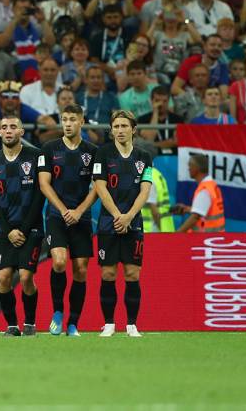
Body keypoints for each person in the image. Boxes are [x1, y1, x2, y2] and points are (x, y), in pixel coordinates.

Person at [38, 104, 98, 337]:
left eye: (73, 119)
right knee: (60, 262)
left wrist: (80, 211)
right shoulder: (49, 149)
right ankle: (57, 312)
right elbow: (44, 184)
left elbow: (98, 186)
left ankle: (73, 323)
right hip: (56, 215)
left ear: (82, 122)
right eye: (64, 119)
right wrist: (64, 210)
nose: (68, 124)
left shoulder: (93, 151)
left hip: (82, 218)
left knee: (81, 269)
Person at [93, 110, 154, 338]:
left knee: (132, 273)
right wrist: (119, 215)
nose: (119, 130)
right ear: (111, 130)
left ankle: (131, 325)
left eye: (124, 126)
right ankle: (109, 323)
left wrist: (129, 217)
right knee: (108, 273)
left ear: (133, 129)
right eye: (116, 127)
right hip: (109, 223)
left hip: (134, 223)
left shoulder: (144, 157)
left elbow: (144, 191)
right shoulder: (102, 154)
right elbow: (100, 187)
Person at [0, 116, 45, 336]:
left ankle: (30, 322)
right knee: (3, 277)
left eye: (13, 127)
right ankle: (12, 326)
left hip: (32, 228)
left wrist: (24, 229)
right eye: (3, 127)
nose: (8, 130)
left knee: (26, 276)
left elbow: (40, 196)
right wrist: (9, 231)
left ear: (21, 132)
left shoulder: (36, 157)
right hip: (5, 230)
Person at [175, 153, 225, 233]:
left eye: (190, 166)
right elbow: (205, 210)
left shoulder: (204, 190)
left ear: (196, 168)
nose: (188, 169)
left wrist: (177, 233)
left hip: (205, 238)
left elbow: (195, 217)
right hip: (214, 237)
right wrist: (187, 209)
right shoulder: (211, 185)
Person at [143, 167, 174, 233]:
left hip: (152, 230)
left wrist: (161, 229)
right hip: (161, 227)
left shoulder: (147, 176)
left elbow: (154, 211)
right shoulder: (157, 174)